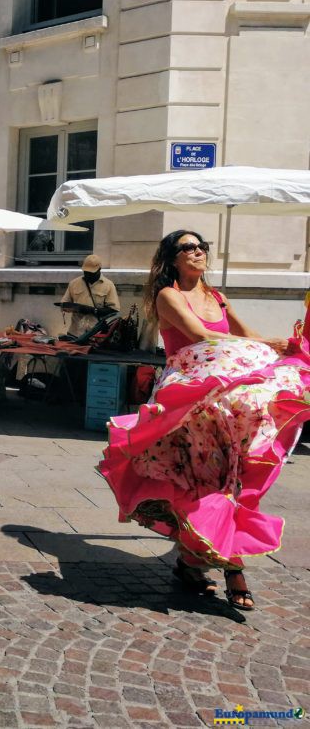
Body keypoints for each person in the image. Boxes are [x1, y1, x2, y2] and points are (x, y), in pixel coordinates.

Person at [99, 230, 310, 611]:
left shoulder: (217, 297)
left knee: (230, 475)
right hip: (191, 398)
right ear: (172, 259)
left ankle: (189, 564)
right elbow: (199, 337)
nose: (197, 252)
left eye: (201, 247)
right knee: (208, 477)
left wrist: (277, 347)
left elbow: (247, 337)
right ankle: (233, 569)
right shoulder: (168, 296)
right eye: (188, 248)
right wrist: (257, 347)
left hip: (227, 395)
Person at [60, 254, 120, 337]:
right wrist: (73, 308)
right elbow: (64, 303)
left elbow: (114, 310)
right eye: (86, 272)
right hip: (75, 332)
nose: (88, 275)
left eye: (91, 273)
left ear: (99, 269)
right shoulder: (74, 283)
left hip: (96, 334)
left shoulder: (109, 285)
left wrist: (92, 310)